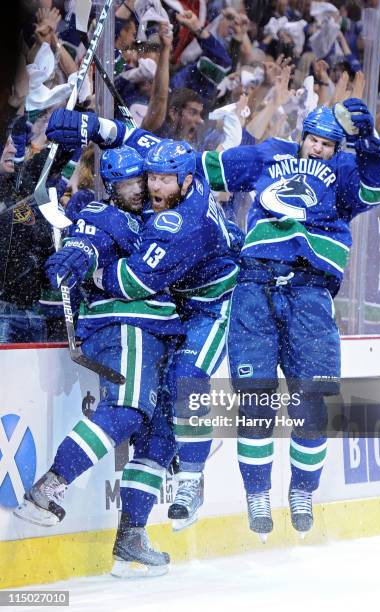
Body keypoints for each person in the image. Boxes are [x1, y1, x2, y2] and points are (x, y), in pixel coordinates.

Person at [197, 99, 380, 538]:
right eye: (313, 139)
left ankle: (302, 491)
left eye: (328, 144)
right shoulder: (271, 153)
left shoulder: (348, 171)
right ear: (302, 135)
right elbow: (205, 169)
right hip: (255, 285)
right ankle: (256, 493)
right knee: (255, 399)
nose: (318, 148)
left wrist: (369, 141)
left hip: (310, 292)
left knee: (311, 402)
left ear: (337, 146)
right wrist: (127, 138)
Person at [14, 146, 182, 578]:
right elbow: (86, 241)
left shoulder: (156, 217)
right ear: (112, 185)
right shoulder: (104, 215)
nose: (137, 189)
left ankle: (131, 538)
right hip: (128, 325)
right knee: (124, 411)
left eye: (140, 180)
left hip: (161, 332)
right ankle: (48, 487)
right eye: (127, 183)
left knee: (160, 433)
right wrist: (75, 257)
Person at [91, 139, 241, 531]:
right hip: (179, 307)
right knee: (159, 420)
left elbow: (133, 280)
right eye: (151, 177)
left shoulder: (181, 223)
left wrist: (94, 273)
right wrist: (103, 127)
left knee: (187, 379)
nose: (155, 188)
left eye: (164, 180)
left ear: (187, 181)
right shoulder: (189, 179)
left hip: (216, 305)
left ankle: (191, 481)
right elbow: (141, 136)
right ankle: (131, 536)